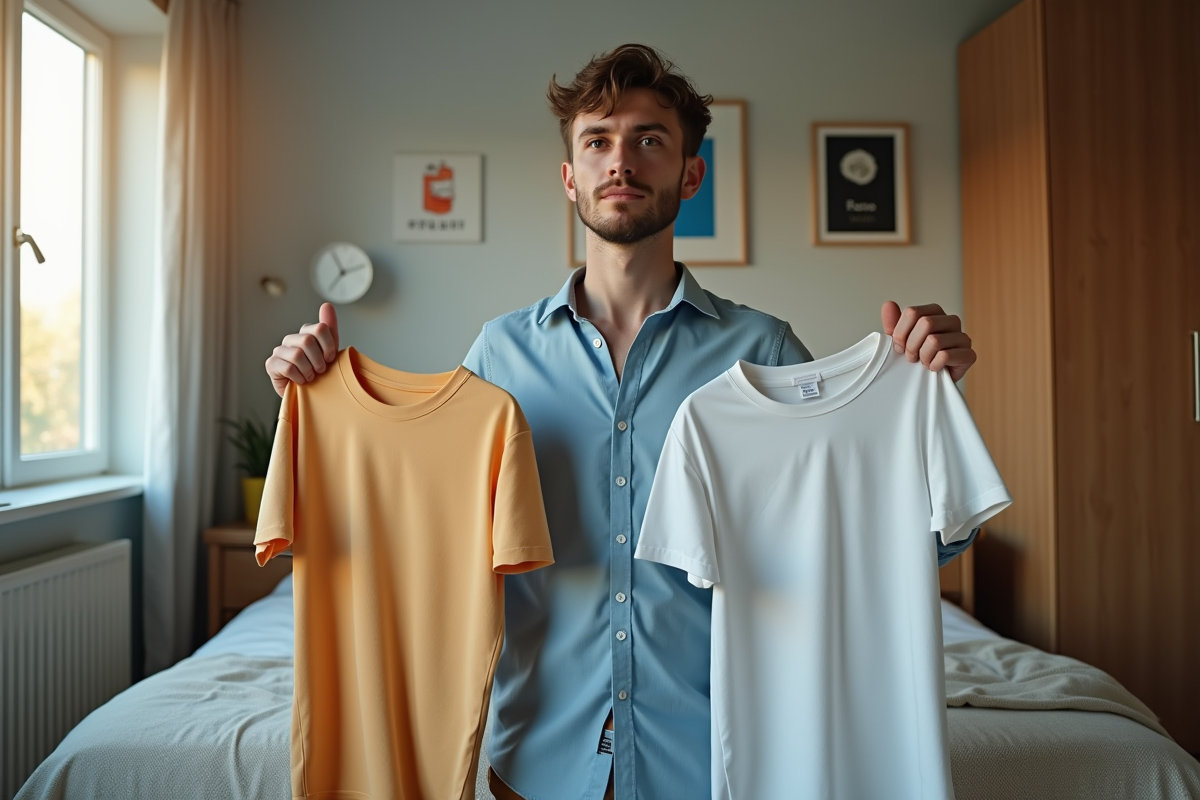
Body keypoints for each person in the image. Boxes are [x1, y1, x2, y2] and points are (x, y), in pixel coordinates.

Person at [265, 43, 978, 800]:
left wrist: (933, 398)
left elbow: (864, 534)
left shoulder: (764, 351)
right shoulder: (498, 354)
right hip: (538, 757)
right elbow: (415, 528)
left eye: (649, 140)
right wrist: (313, 410)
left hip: (714, 762)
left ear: (691, 175)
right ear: (570, 177)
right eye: (598, 142)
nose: (622, 161)